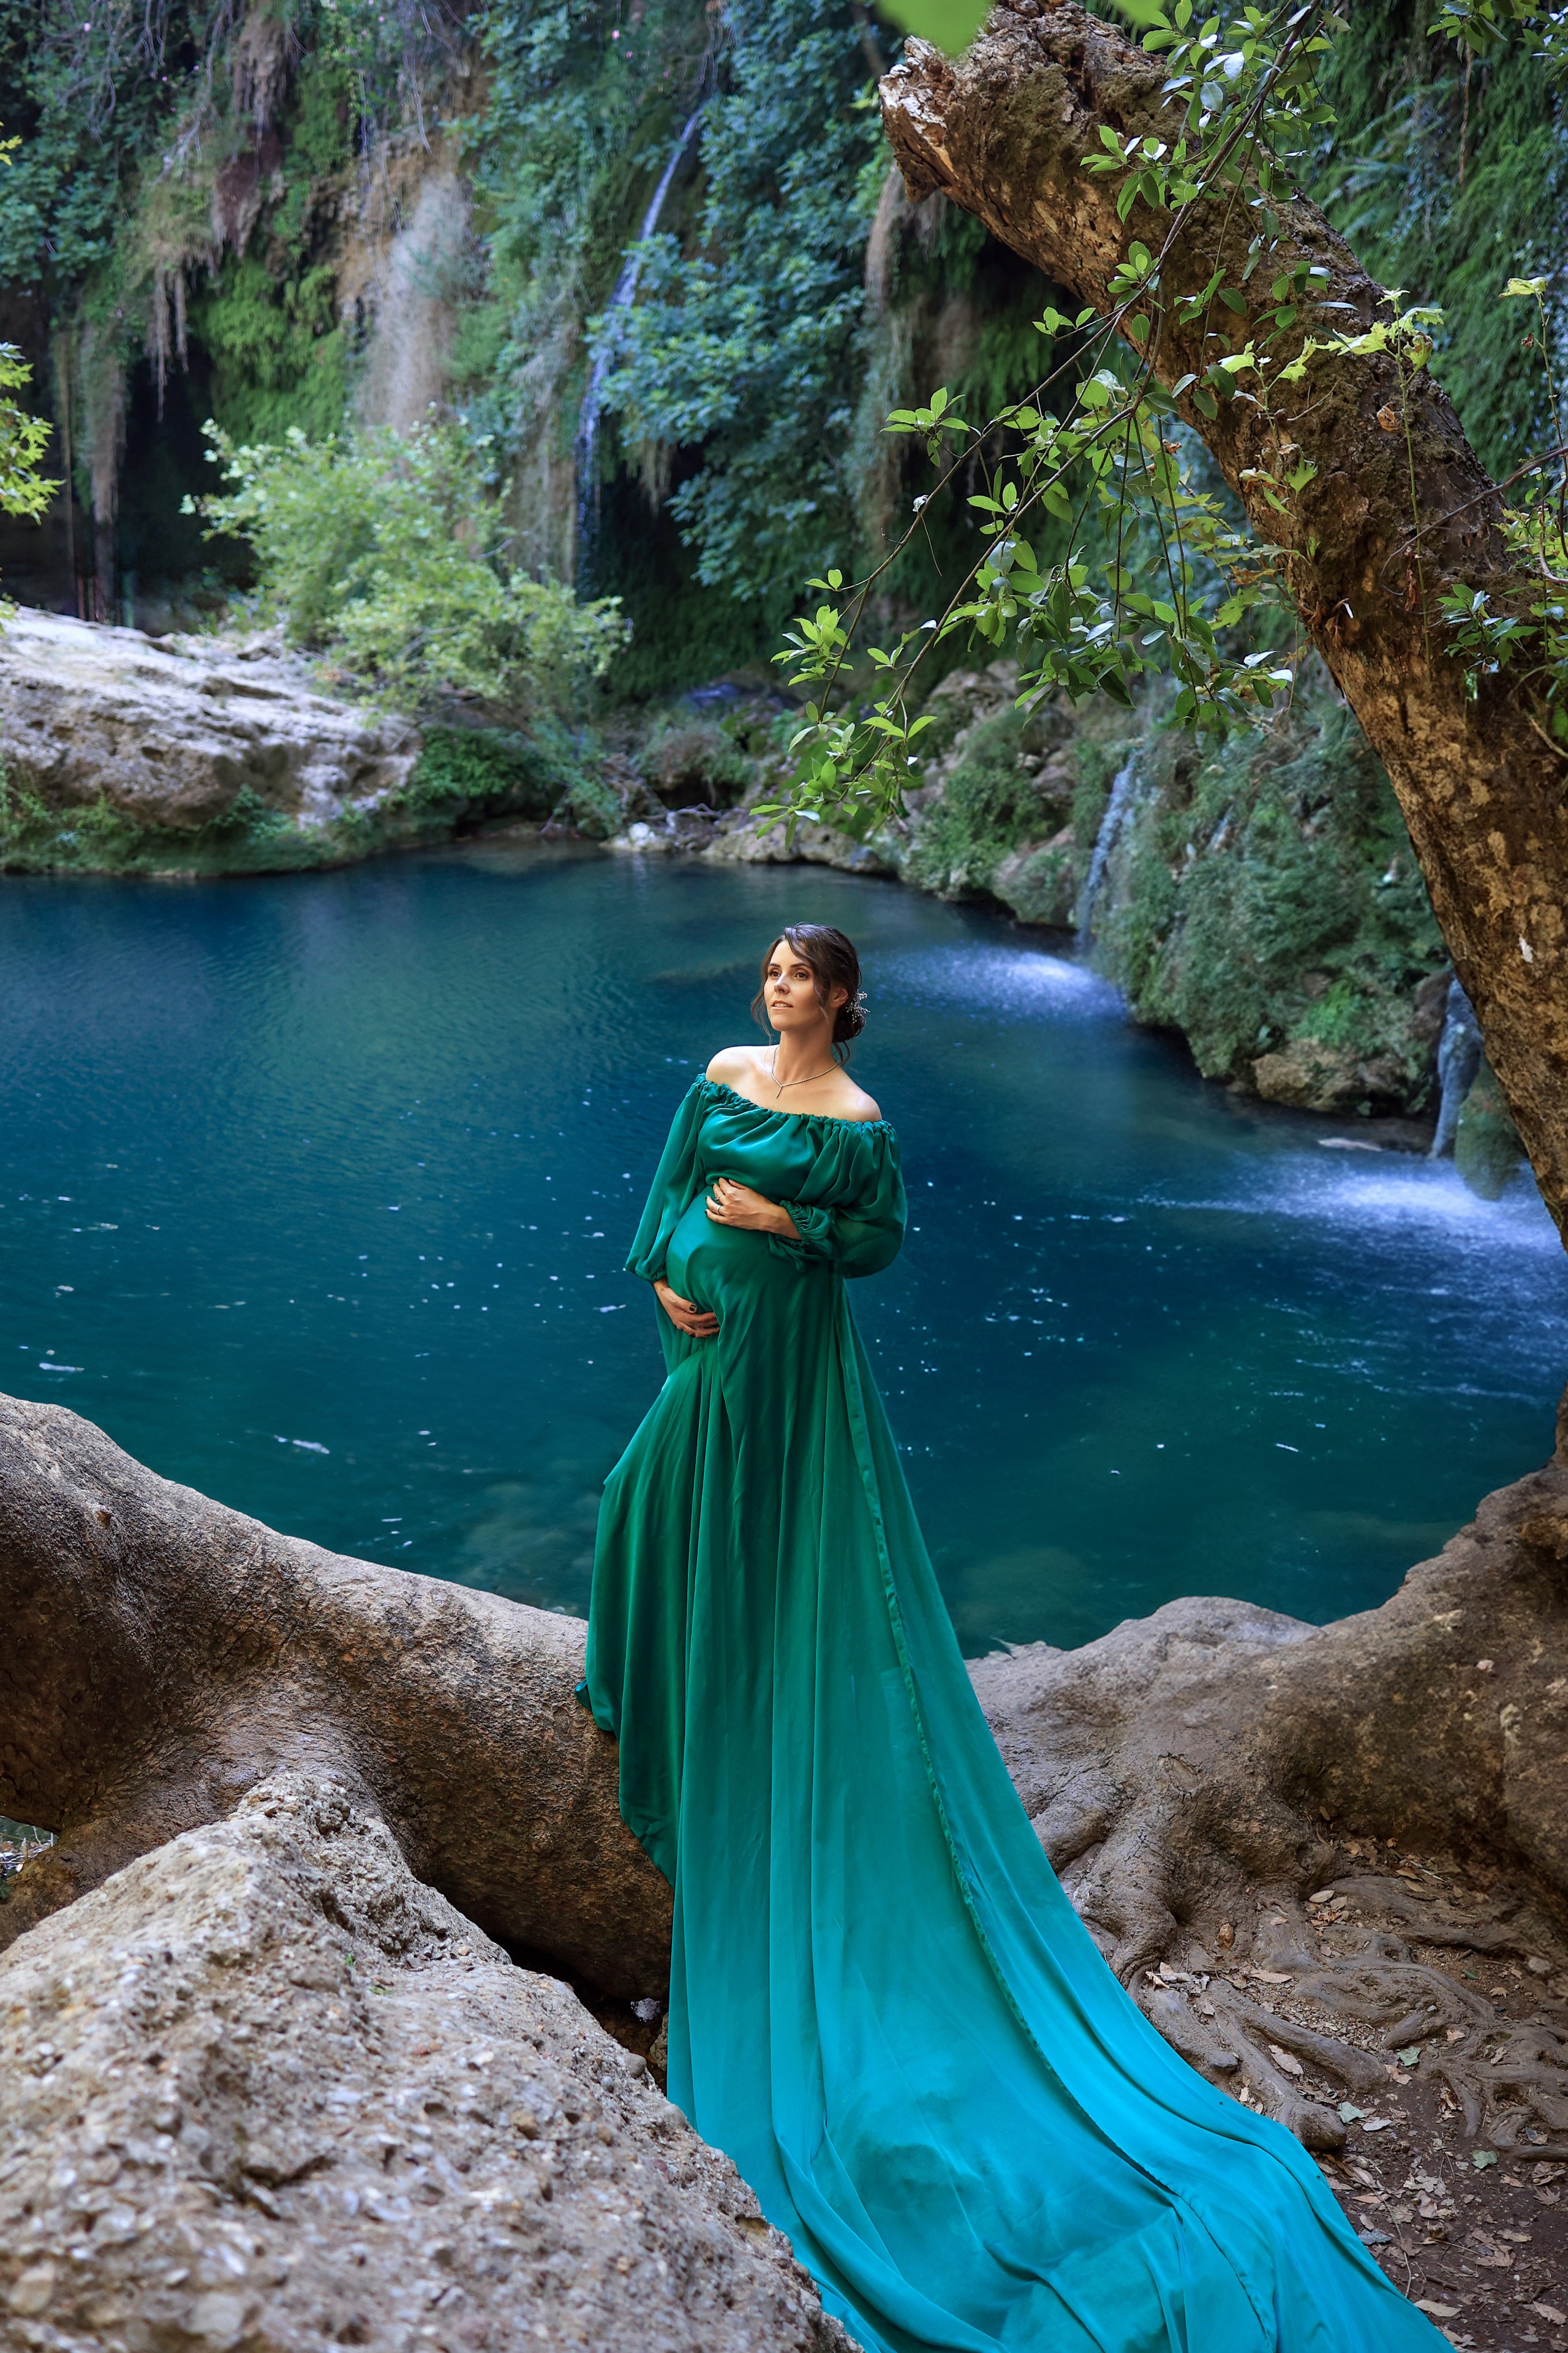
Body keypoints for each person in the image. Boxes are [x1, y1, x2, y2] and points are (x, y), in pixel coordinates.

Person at [580, 923, 1441, 2353]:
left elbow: (873, 1244)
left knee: (752, 1531)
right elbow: (664, 1194)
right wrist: (666, 1287)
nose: (775, 988)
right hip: (711, 1347)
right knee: (634, 1494)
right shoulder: (722, 1072)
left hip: (794, 1370)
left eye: (800, 975)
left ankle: (752, 1668)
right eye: (772, 971)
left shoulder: (857, 1122)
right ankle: (674, 1658)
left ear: (844, 1002)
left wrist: (784, 1231)